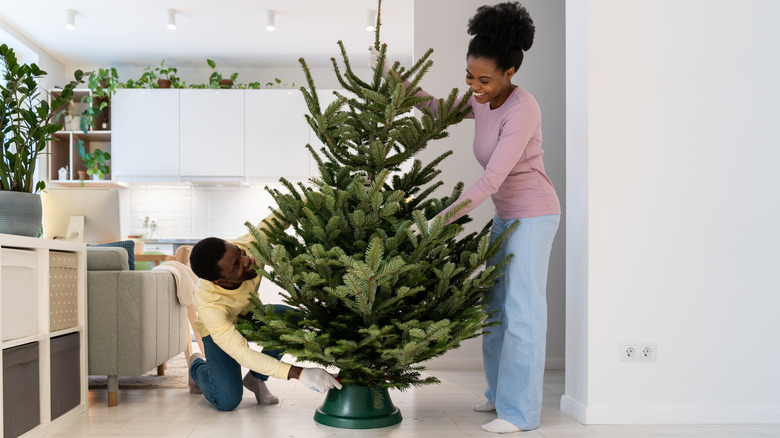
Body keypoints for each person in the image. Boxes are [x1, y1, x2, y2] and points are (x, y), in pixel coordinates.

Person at [371, 2, 559, 433]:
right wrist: (404, 87)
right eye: (469, 77)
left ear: (510, 72)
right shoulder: (484, 98)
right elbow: (441, 109)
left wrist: (441, 219)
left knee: (523, 311)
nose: (474, 87)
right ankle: (498, 396)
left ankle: (521, 413)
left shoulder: (522, 109)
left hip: (534, 215)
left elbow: (493, 179)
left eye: (484, 79)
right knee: (494, 308)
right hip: (506, 217)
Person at [187, 211, 341, 411]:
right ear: (220, 281)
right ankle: (197, 365)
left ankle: (256, 379)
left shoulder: (251, 244)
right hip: (220, 332)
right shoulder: (210, 305)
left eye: (239, 252)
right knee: (227, 401)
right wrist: (299, 373)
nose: (247, 260)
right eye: (236, 266)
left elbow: (282, 214)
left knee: (293, 318)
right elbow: (242, 352)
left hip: (250, 314)